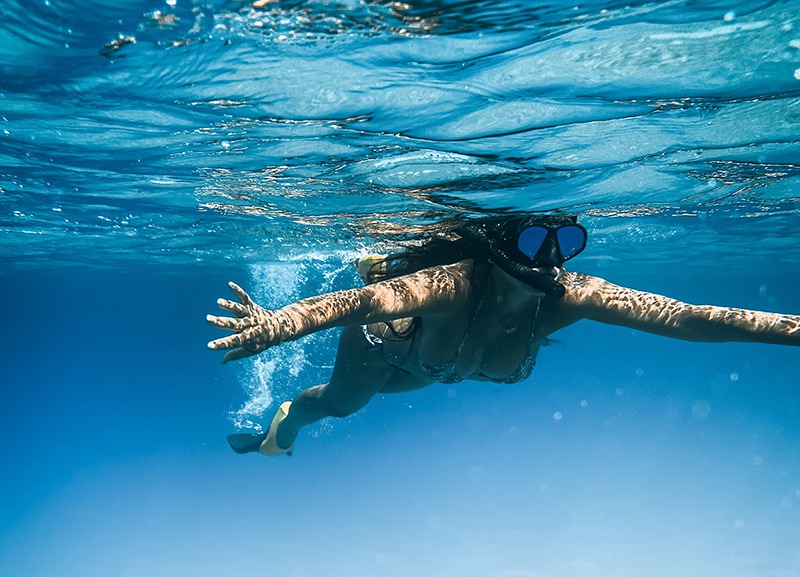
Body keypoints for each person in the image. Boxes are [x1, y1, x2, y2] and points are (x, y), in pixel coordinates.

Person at [206, 214, 800, 456]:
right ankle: (278, 431)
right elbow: (360, 302)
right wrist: (277, 325)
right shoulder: (455, 285)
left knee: (389, 390)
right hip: (387, 342)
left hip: (434, 366)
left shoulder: (572, 298)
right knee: (341, 404)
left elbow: (685, 317)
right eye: (531, 239)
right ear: (496, 245)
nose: (548, 258)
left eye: (564, 243)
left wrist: (791, 329)